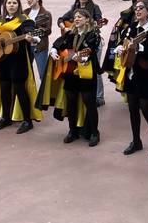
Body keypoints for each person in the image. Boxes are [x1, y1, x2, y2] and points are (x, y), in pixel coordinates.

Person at [0, 0, 42, 134]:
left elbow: (32, 33)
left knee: (20, 88)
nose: (11, 5)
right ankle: (6, 118)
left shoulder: (24, 20)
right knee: (4, 88)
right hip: (3, 60)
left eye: (14, 3)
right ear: (5, 5)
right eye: (9, 3)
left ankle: (27, 120)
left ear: (18, 5)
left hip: (19, 60)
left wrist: (31, 37)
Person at [41, 8, 103, 146]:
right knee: (71, 102)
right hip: (70, 73)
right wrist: (53, 51)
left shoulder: (93, 34)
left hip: (86, 72)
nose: (77, 19)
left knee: (89, 102)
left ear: (87, 19)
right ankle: (72, 131)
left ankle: (94, 132)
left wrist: (78, 56)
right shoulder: (70, 33)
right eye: (75, 17)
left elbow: (90, 50)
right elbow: (58, 44)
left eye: (80, 17)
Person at [115, 0, 148, 159]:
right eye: (135, 8)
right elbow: (123, 41)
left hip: (145, 72)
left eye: (140, 8)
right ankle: (136, 141)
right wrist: (120, 47)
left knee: (146, 108)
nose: (137, 10)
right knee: (132, 108)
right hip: (131, 71)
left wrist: (139, 47)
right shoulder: (132, 27)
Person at [58, 0, 105, 103]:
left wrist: (93, 24)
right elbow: (61, 19)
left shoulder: (94, 7)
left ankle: (99, 97)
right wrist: (65, 28)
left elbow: (98, 22)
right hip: (76, 41)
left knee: (93, 68)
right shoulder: (74, 7)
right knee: (76, 68)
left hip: (91, 41)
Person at [25, 0, 53, 82]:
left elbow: (48, 30)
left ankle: (43, 96)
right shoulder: (24, 12)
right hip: (26, 46)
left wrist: (36, 33)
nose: (29, 0)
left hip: (40, 46)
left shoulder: (46, 13)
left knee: (42, 73)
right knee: (27, 73)